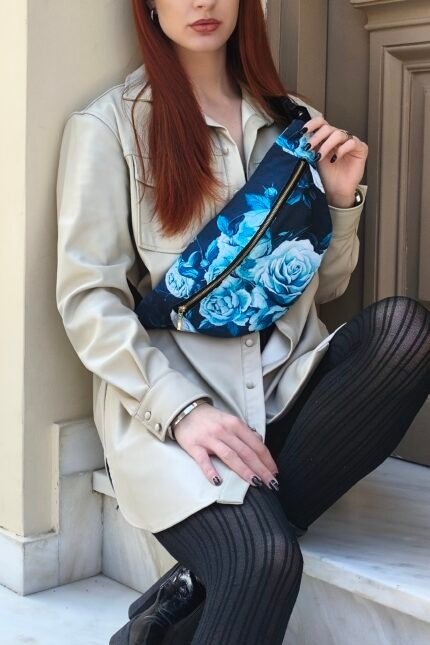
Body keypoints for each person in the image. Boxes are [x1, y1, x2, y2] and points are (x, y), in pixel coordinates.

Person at [55, 1, 430, 643]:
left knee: (407, 332)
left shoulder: (294, 120)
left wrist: (341, 201)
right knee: (263, 561)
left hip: (286, 386)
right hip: (178, 408)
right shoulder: (109, 125)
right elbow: (89, 299)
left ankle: (187, 588)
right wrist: (181, 410)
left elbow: (325, 288)